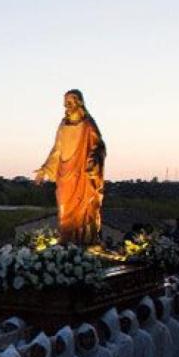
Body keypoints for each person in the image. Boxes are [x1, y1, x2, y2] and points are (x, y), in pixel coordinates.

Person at [33, 89, 107, 245]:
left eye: (69, 102)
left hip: (82, 174)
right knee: (64, 208)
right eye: (65, 103)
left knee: (85, 207)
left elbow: (99, 146)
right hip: (65, 173)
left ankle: (85, 240)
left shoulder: (88, 124)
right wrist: (45, 168)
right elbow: (57, 149)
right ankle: (66, 240)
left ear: (79, 103)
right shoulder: (63, 125)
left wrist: (93, 159)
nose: (66, 106)